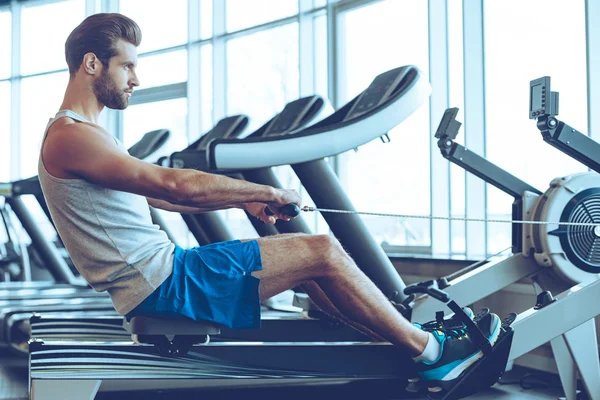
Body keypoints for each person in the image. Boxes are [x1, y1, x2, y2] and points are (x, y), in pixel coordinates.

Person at [38, 12, 500, 385]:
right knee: (319, 250)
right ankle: (435, 353)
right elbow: (174, 185)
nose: (136, 78)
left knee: (313, 269)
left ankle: (399, 344)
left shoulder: (88, 135)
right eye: (128, 66)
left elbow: (165, 203)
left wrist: (241, 203)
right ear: (92, 64)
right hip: (166, 283)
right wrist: (262, 190)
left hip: (165, 276)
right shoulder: (72, 137)